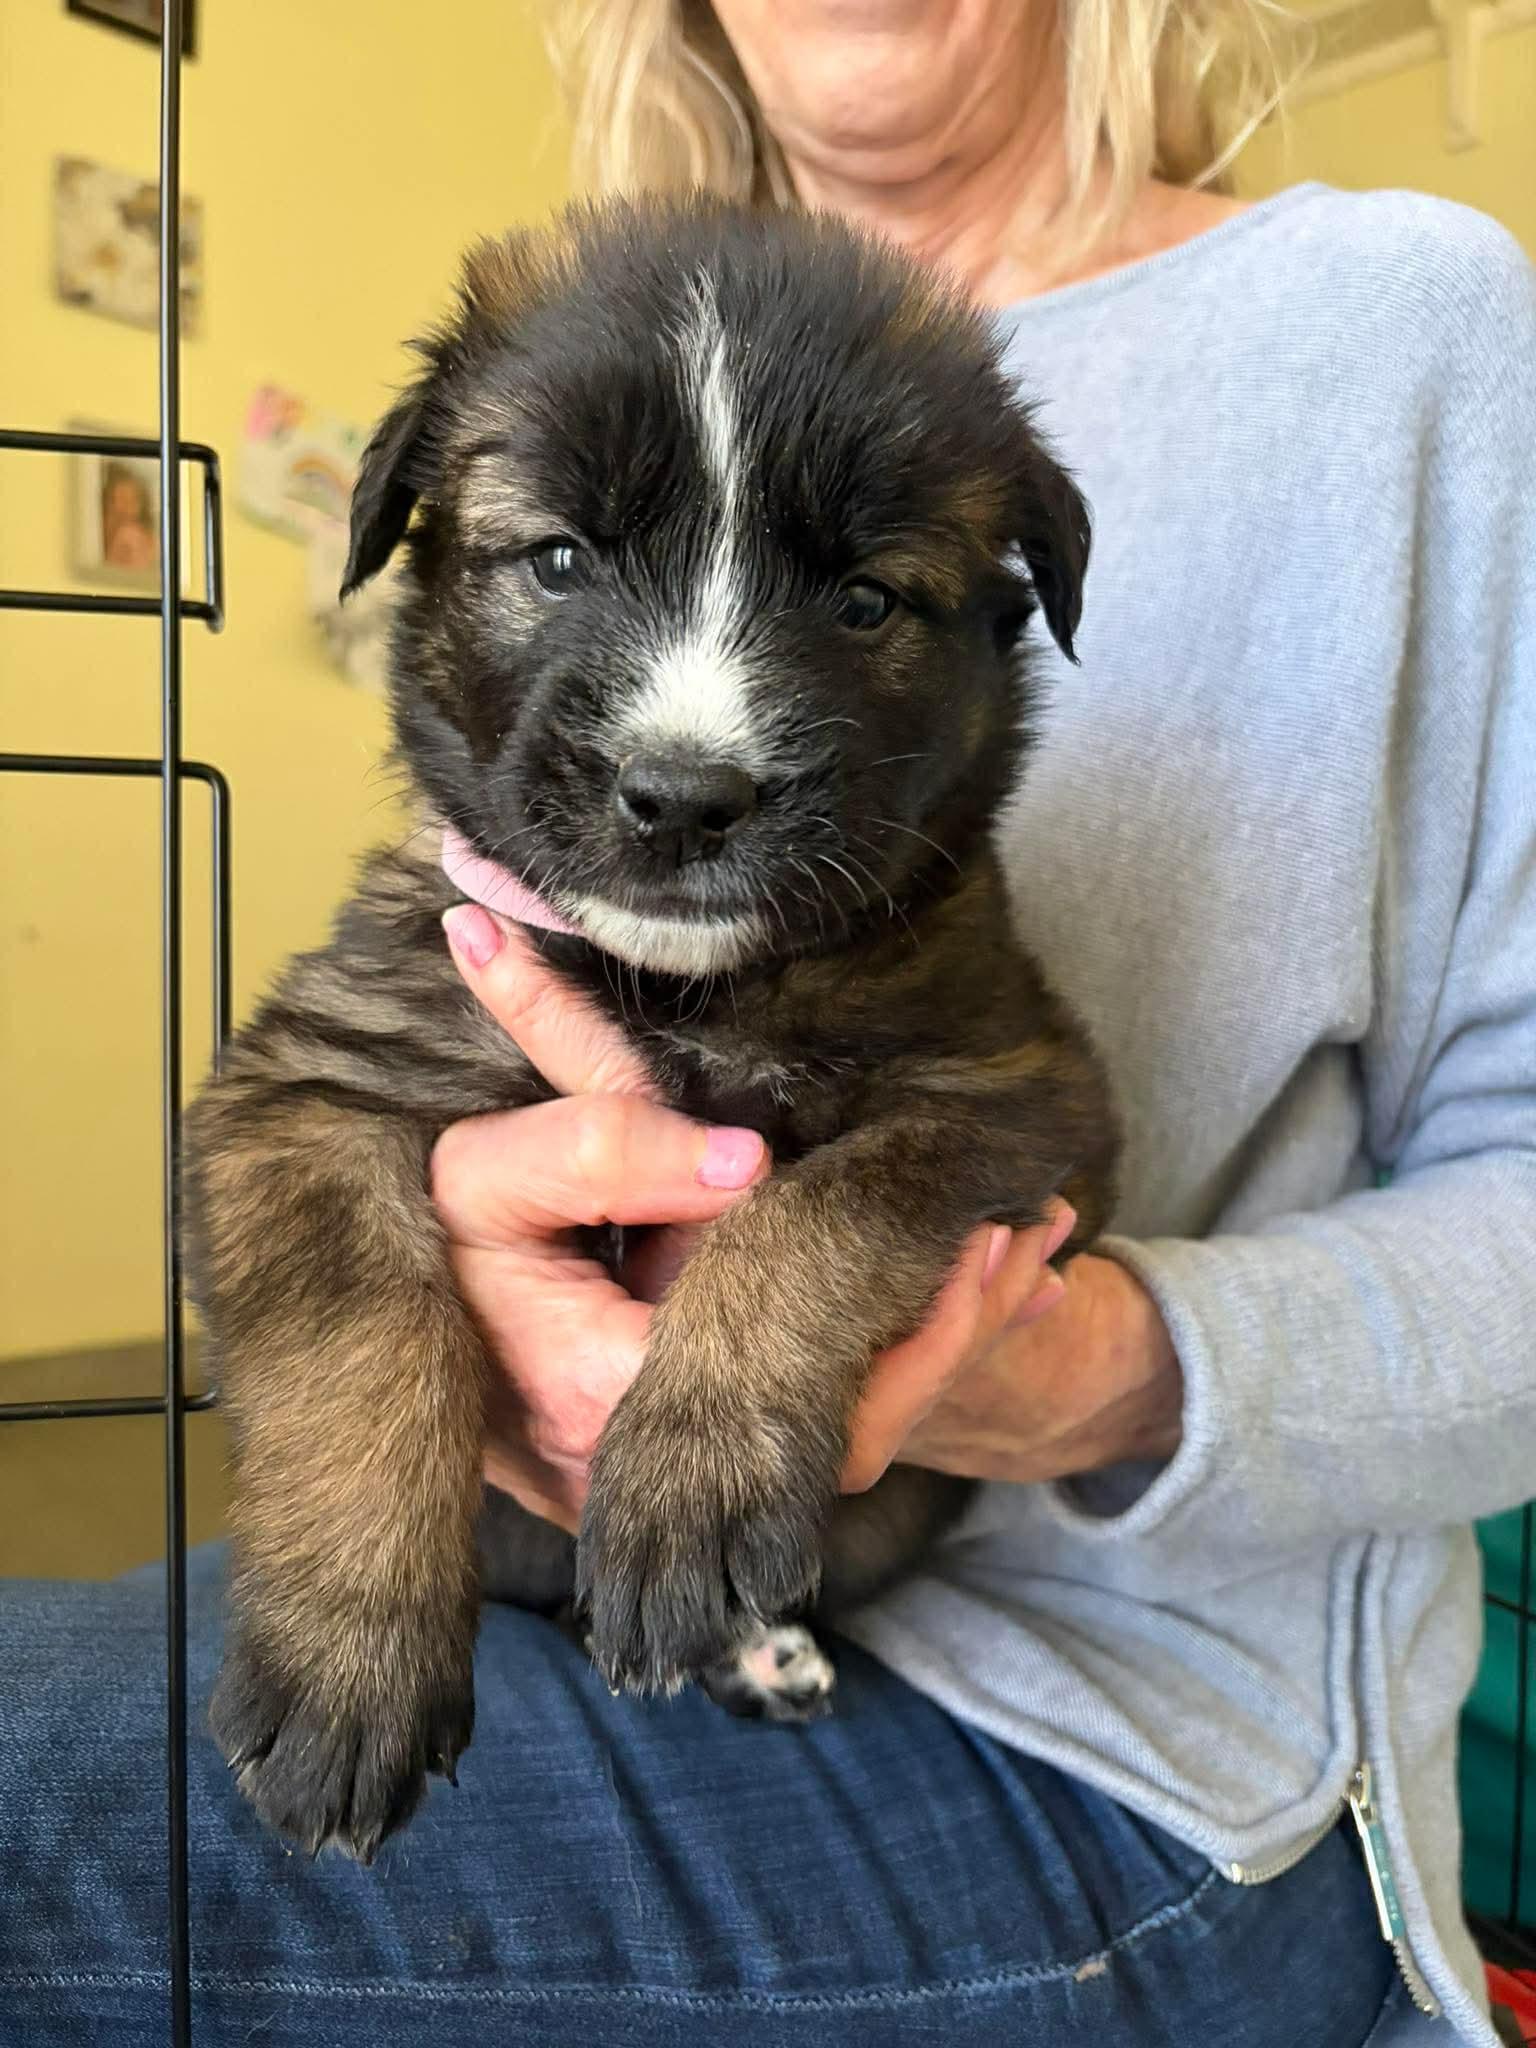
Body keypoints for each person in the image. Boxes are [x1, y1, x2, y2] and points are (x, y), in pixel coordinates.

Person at [6, 2, 1534, 2043]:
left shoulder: (1408, 329)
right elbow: (295, 1135)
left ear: (1011, 616)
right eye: (556, 558)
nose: (690, 735)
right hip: (519, 1602)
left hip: (1151, 1758)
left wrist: (1066, 1369)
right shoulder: (579, 333)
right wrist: (408, 1410)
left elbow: (999, 1119)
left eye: (865, 600)